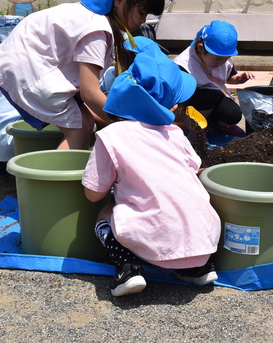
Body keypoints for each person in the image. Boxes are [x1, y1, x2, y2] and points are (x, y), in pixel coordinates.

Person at [0, 0, 170, 149]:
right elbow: (89, 93)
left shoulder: (93, 15)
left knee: (86, 120)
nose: (142, 21)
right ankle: (58, 178)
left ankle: (67, 173)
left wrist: (118, 119)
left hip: (21, 61)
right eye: (141, 13)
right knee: (80, 127)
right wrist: (126, 121)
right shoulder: (97, 29)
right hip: (27, 68)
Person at [82, 47, 221, 297]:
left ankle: (128, 269)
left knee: (104, 212)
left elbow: (93, 194)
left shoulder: (111, 136)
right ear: (175, 105)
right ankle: (198, 269)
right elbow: (193, 167)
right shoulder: (176, 134)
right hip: (204, 241)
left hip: (153, 240)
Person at [173, 20, 254, 136]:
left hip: (214, 97)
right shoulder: (184, 65)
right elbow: (176, 94)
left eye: (226, 58)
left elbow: (228, 77)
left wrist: (238, 79)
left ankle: (216, 125)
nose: (222, 62)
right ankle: (196, 127)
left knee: (233, 113)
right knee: (207, 97)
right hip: (191, 104)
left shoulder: (222, 59)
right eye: (218, 59)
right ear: (201, 48)